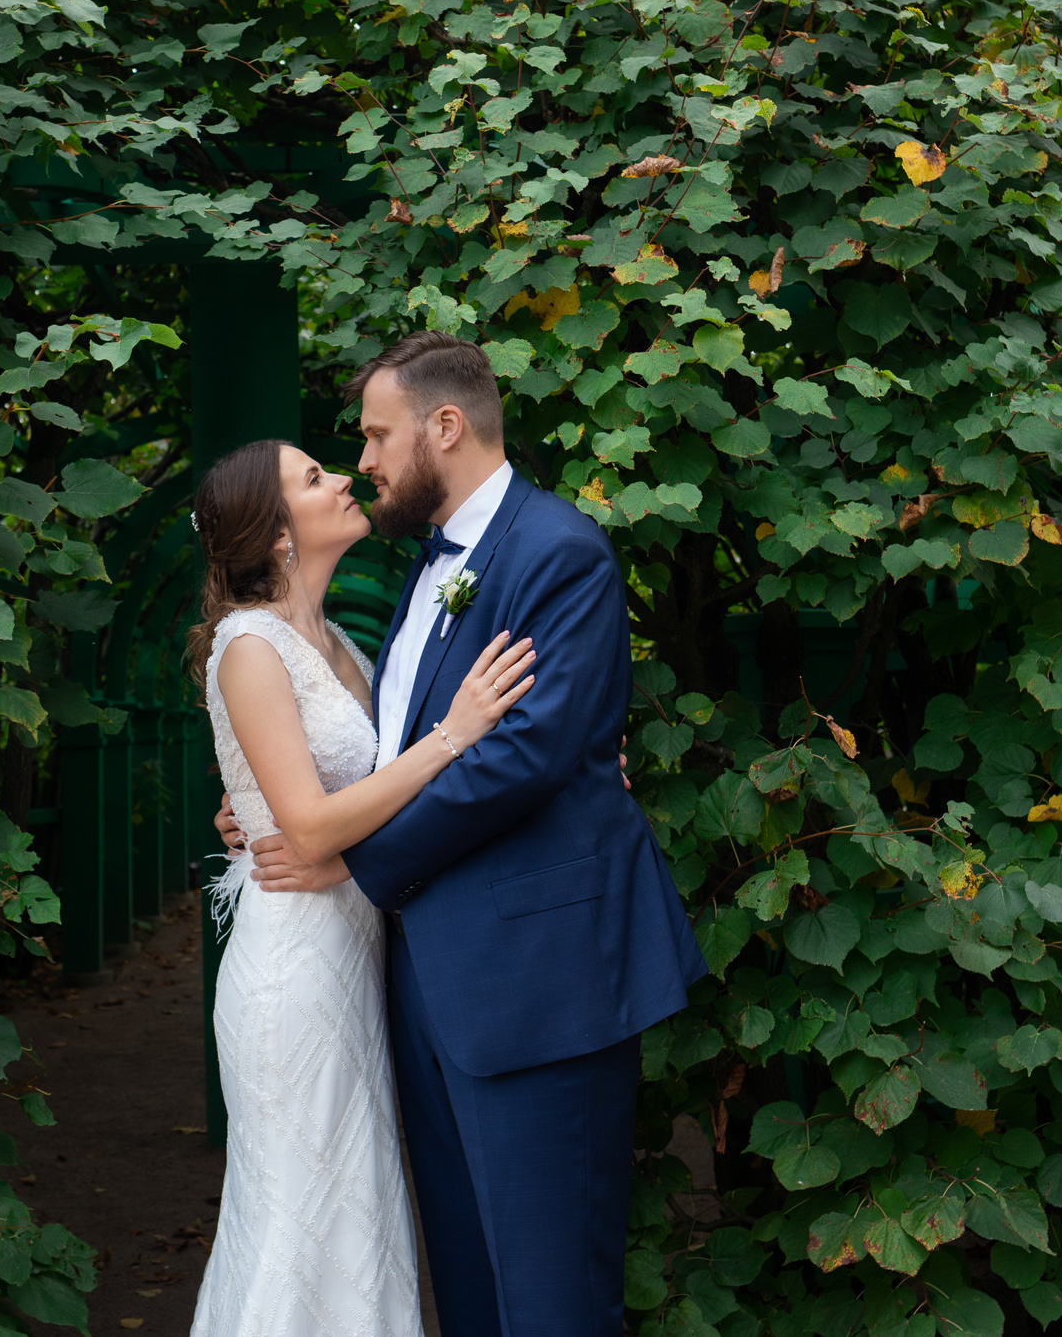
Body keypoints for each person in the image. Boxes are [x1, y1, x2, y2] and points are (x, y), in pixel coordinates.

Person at [215, 332, 707, 1337]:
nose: (365, 461)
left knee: (552, 1303)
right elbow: (383, 753)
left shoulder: (556, 554)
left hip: (536, 985)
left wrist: (345, 856)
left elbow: (519, 757)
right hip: (421, 992)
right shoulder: (426, 576)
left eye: (376, 436)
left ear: (445, 426)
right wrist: (261, 813)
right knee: (475, 1297)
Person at [186, 435, 539, 1337]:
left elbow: (329, 800)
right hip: (294, 973)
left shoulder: (337, 639)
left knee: (359, 1222)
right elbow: (306, 827)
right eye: (313, 478)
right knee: (297, 1226)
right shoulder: (248, 645)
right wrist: (454, 732)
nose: (343, 476)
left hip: (354, 957)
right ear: (275, 534)